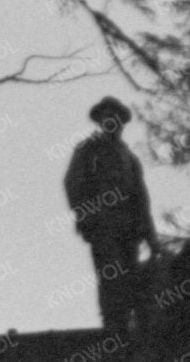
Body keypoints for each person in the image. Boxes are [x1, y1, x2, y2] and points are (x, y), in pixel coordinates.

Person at [63, 96, 157, 336]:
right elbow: (73, 183)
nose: (110, 121)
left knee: (132, 281)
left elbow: (141, 199)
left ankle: (129, 330)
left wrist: (150, 236)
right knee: (111, 280)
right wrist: (87, 217)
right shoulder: (88, 151)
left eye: (114, 116)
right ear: (100, 121)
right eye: (105, 116)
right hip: (103, 228)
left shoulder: (130, 159)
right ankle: (113, 331)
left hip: (129, 230)